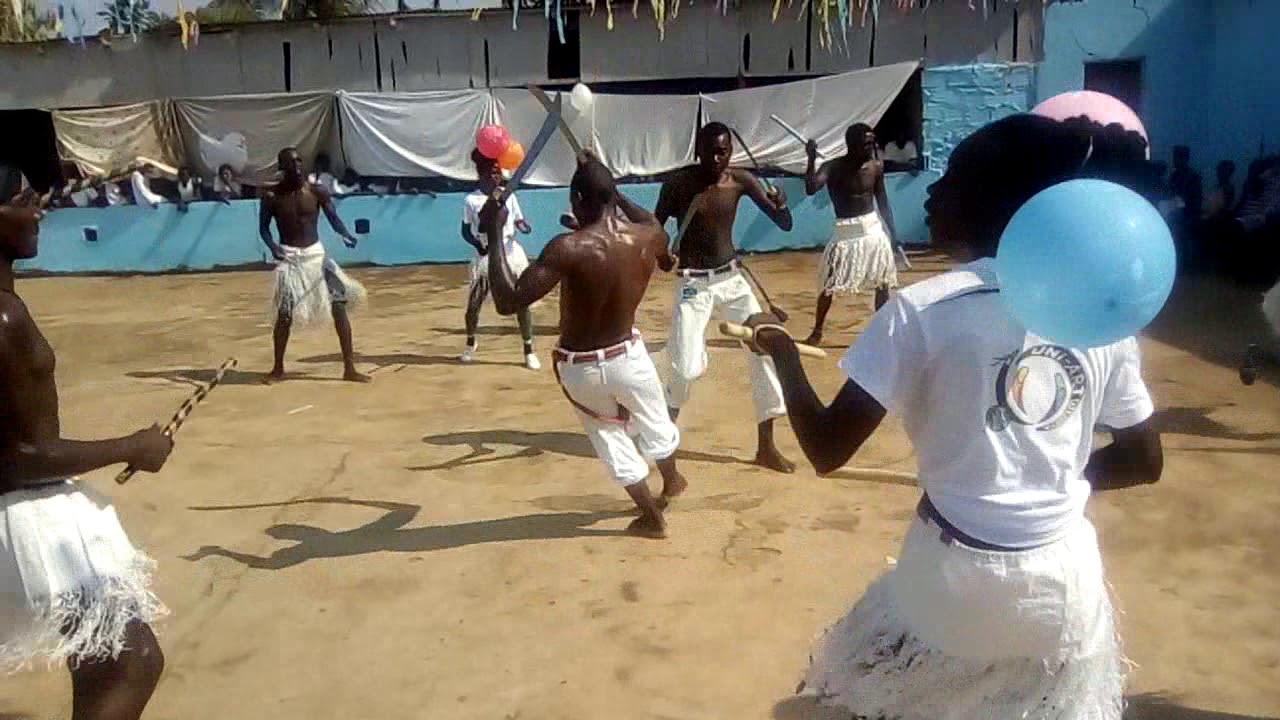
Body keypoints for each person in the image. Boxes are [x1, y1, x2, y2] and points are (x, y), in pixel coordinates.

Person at [748, 114, 1163, 719]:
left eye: (952, 179)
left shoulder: (921, 312)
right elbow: (1143, 460)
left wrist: (782, 353)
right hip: (1064, 587)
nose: (936, 193)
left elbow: (825, 449)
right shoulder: (1097, 316)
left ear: (993, 202)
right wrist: (1043, 485)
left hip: (952, 581)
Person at [0, 202, 174, 720]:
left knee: (101, 660)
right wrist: (130, 448)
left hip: (25, 505)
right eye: (21, 201)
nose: (38, 214)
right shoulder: (4, 317)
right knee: (130, 662)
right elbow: (19, 458)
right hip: (28, 511)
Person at [482, 153, 684, 538]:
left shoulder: (567, 248)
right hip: (629, 355)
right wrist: (611, 193)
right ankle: (671, 481)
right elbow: (652, 227)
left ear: (577, 199)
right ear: (612, 196)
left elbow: (508, 302)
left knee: (611, 440)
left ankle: (652, 517)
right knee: (657, 422)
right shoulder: (649, 236)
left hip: (583, 369)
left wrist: (494, 234)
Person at [653, 121, 795, 473]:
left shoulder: (741, 181)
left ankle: (766, 447)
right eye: (710, 151)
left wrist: (782, 204)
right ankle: (663, 438)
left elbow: (785, 224)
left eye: (723, 151)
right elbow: (654, 230)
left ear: (730, 152)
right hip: (692, 283)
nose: (716, 158)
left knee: (763, 352)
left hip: (732, 279)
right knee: (684, 367)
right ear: (697, 150)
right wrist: (662, 256)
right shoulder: (678, 184)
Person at [259, 147, 369, 384]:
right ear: (282, 168)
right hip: (290, 260)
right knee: (285, 314)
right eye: (292, 162)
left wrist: (345, 234)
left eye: (299, 160)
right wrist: (273, 247)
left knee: (338, 306)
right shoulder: (271, 197)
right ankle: (278, 369)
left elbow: (332, 218)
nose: (298, 166)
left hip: (316, 258)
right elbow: (264, 229)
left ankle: (349, 368)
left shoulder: (317, 192)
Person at [802, 123, 902, 346]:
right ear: (851, 145)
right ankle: (817, 331)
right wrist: (810, 160)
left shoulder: (876, 167)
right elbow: (810, 188)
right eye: (866, 143)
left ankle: (882, 330)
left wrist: (893, 233)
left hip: (872, 230)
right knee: (829, 284)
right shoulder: (832, 167)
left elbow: (882, 201)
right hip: (845, 233)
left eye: (872, 142)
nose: (871, 147)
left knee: (882, 283)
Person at [460, 148, 539, 370]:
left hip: (511, 253)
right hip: (486, 255)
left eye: (498, 172)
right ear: (482, 173)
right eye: (493, 172)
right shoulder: (471, 200)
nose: (497, 176)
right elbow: (465, 231)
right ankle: (470, 342)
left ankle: (528, 349)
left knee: (521, 301)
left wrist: (523, 226)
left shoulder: (509, 195)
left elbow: (518, 220)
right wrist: (478, 245)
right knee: (474, 305)